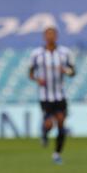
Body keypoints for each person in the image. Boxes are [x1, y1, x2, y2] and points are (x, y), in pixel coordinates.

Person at [29, 27, 75, 164]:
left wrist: (65, 70)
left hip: (60, 95)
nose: (50, 37)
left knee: (61, 122)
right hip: (45, 96)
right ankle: (44, 131)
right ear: (44, 37)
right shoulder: (36, 54)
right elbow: (30, 73)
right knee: (49, 124)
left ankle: (57, 154)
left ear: (56, 36)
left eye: (53, 34)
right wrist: (37, 80)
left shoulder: (65, 53)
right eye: (48, 34)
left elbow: (73, 72)